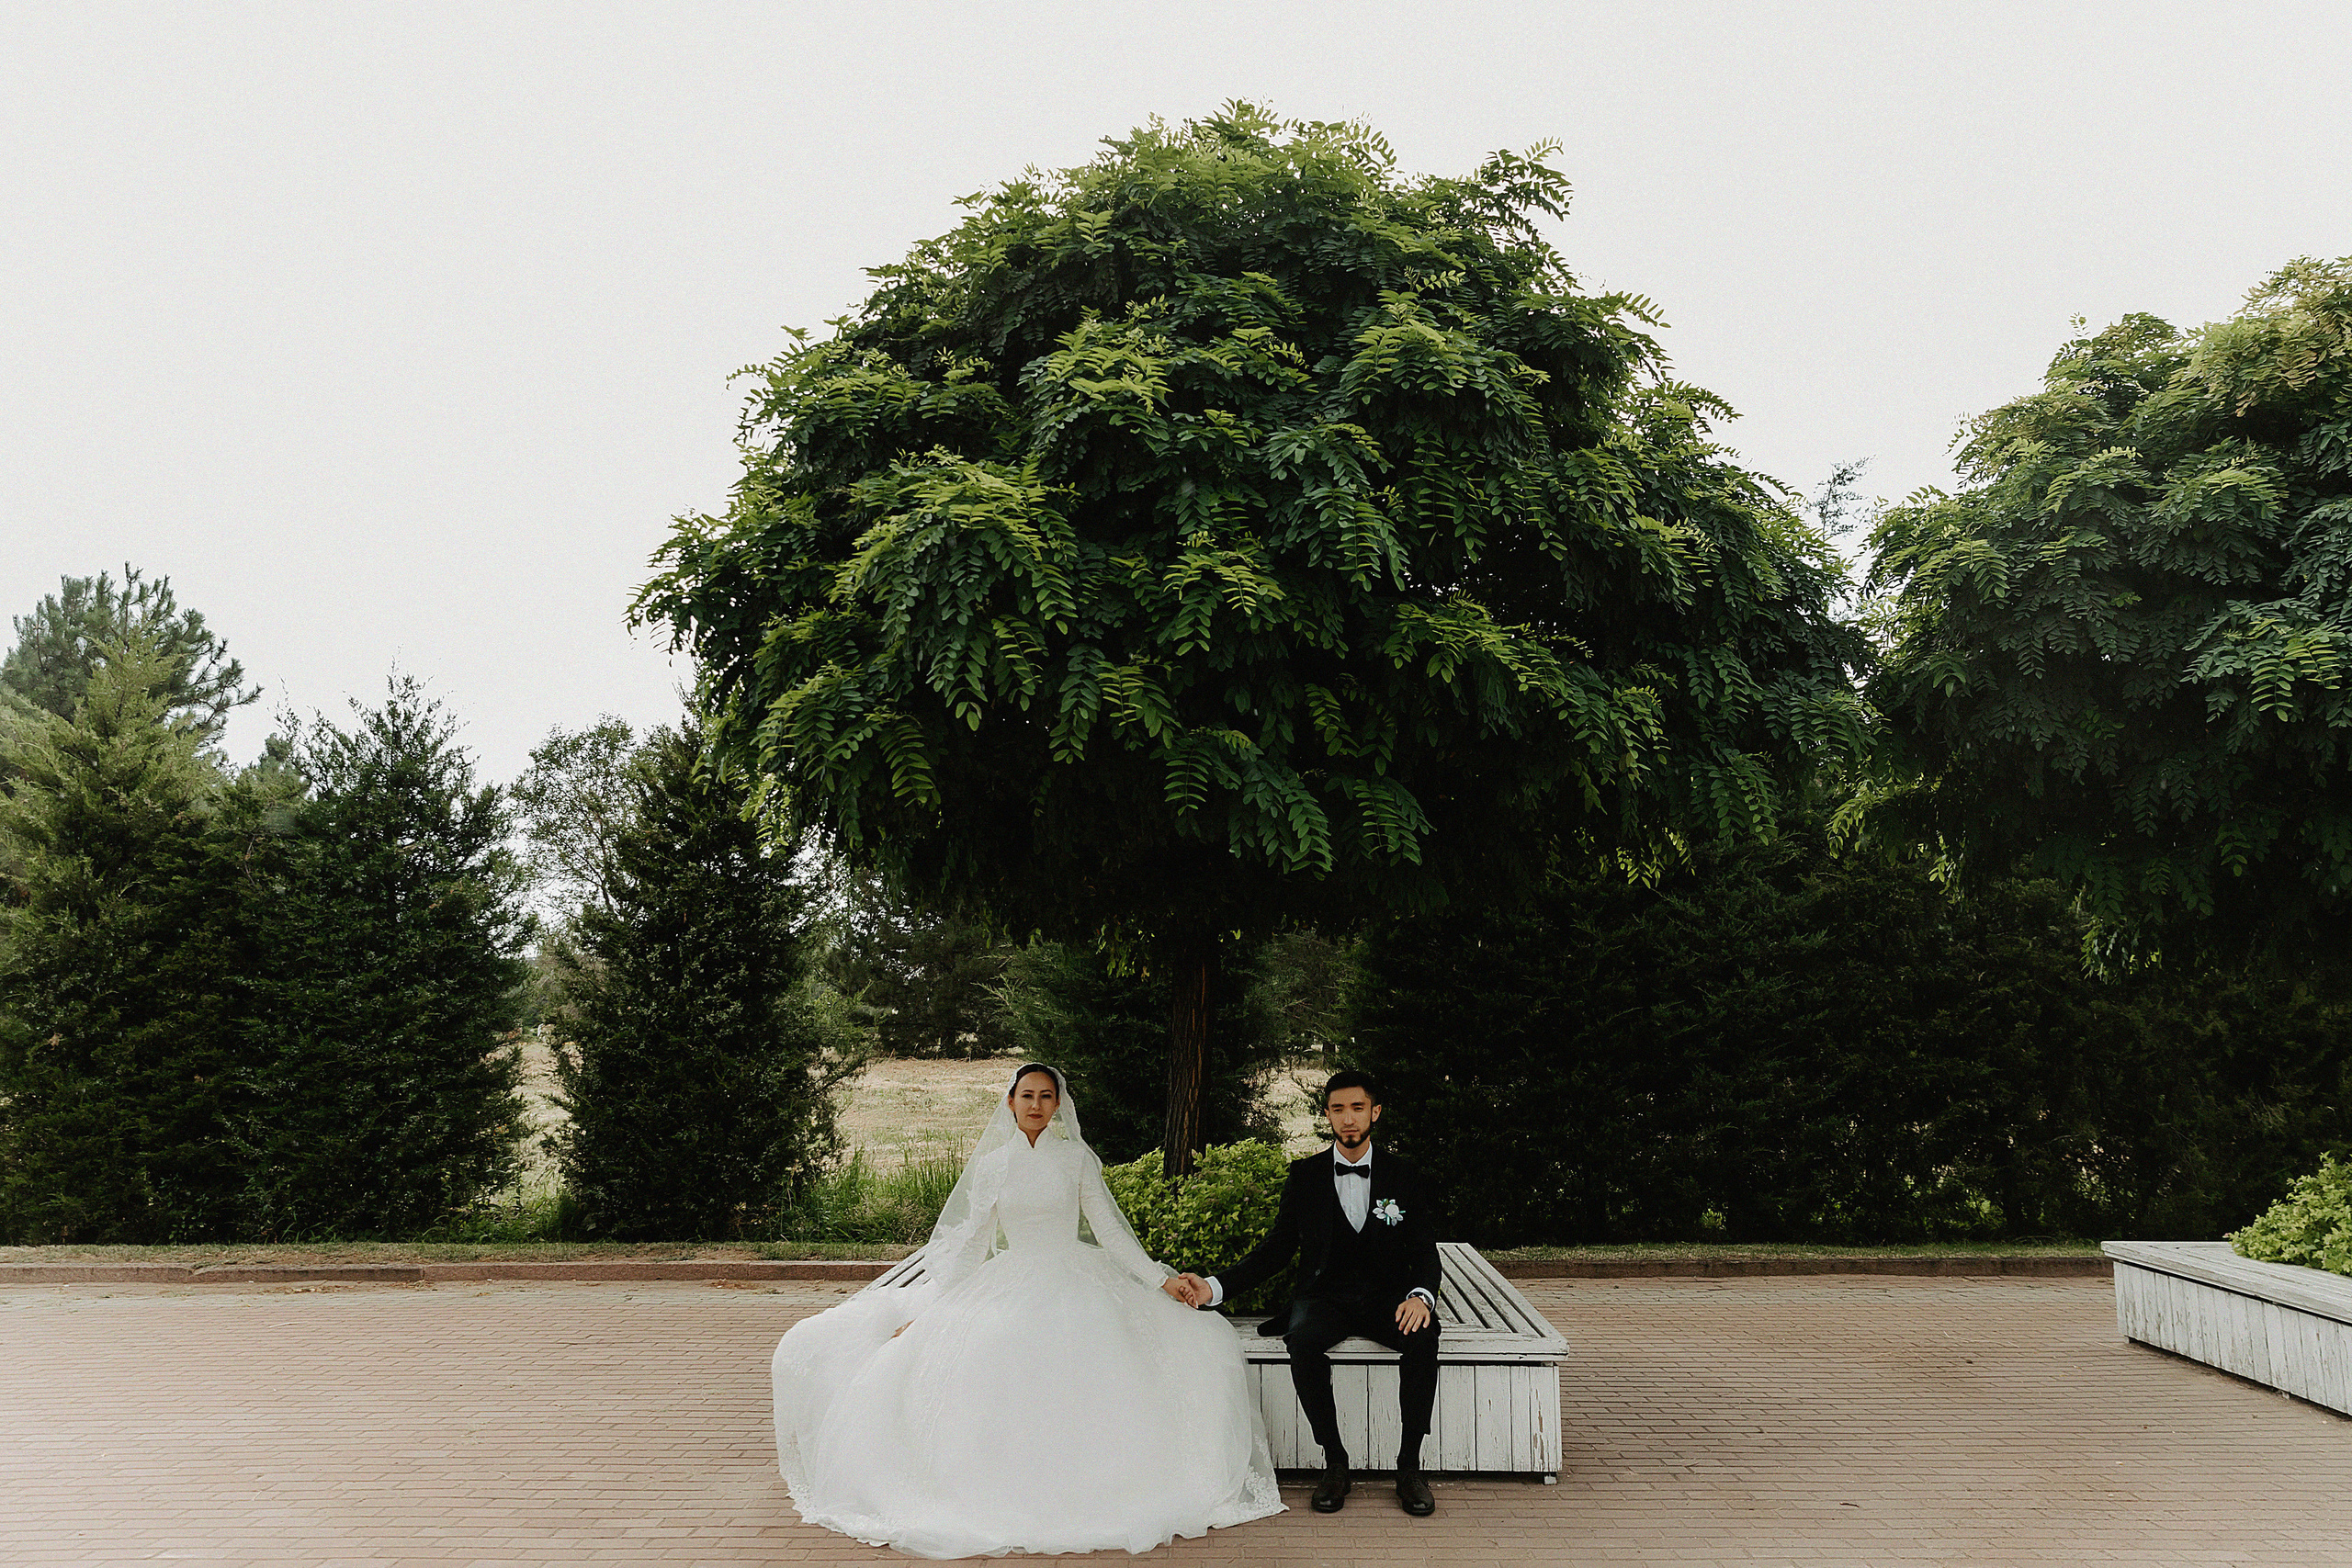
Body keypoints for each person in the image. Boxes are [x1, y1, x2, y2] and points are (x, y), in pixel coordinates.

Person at [769, 1063, 1283, 1558]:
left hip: (1076, 1277)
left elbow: (1108, 1232)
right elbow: (971, 1245)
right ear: (1011, 1103)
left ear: (1058, 1105)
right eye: (1027, 1096)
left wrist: (1160, 1280)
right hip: (1010, 1280)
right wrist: (928, 1309)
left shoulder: (1076, 1159)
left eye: (1046, 1096)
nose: (1036, 1105)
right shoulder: (994, 1164)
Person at [1173, 1070, 1442, 1517]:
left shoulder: (1404, 1174)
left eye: (1357, 1108)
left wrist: (1420, 1296)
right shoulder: (1306, 1175)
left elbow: (1425, 1253)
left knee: (1423, 1338)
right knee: (1301, 1341)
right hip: (1325, 1298)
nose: (1349, 1119)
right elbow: (1275, 1250)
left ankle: (1409, 1467)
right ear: (1328, 1115)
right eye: (1338, 1109)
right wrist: (1215, 1287)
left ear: (1375, 1112)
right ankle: (1335, 1463)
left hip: (1386, 1299)